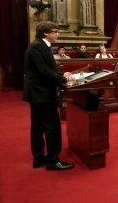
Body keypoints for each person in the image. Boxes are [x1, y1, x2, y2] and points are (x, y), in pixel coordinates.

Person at [23, 21, 74, 170]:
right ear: (46, 33)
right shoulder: (38, 46)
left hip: (38, 93)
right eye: (55, 31)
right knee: (51, 126)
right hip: (42, 93)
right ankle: (53, 160)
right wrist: (63, 79)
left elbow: (47, 68)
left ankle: (38, 158)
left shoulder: (40, 45)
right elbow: (43, 70)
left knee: (38, 126)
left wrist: (62, 73)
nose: (58, 34)